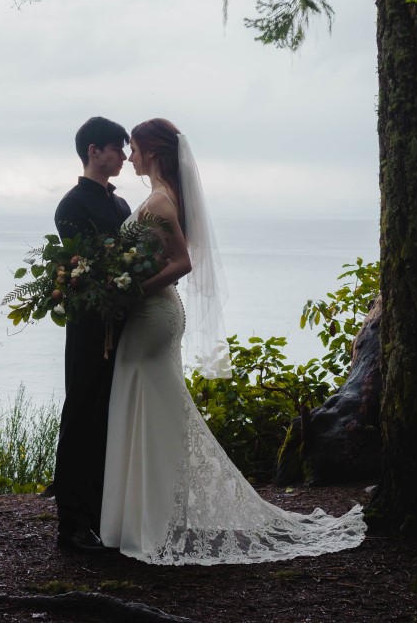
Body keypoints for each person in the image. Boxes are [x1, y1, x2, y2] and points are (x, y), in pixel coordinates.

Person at [100, 118, 366, 565]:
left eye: (136, 148)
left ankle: (147, 521)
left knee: (151, 409)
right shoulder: (163, 196)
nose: (130, 156)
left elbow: (182, 262)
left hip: (152, 314)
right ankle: (143, 517)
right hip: (152, 315)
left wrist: (132, 290)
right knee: (150, 408)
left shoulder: (161, 201)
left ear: (154, 152)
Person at [53, 116, 131, 553]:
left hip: (122, 325)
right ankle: (71, 523)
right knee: (81, 415)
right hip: (88, 328)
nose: (123, 156)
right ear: (93, 151)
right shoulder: (72, 206)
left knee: (110, 418)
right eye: (117, 148)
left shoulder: (120, 205)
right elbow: (86, 269)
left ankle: (104, 517)